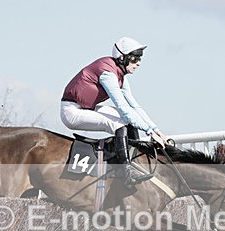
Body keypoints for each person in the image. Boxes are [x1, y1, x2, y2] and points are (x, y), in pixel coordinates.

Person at [61, 37, 168, 188]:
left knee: (123, 117)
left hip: (85, 108)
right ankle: (126, 171)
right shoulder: (108, 74)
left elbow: (135, 107)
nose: (138, 63)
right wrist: (149, 132)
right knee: (119, 122)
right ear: (122, 58)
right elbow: (123, 107)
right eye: (134, 58)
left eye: (139, 58)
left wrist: (157, 130)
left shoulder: (121, 76)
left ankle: (134, 160)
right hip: (71, 112)